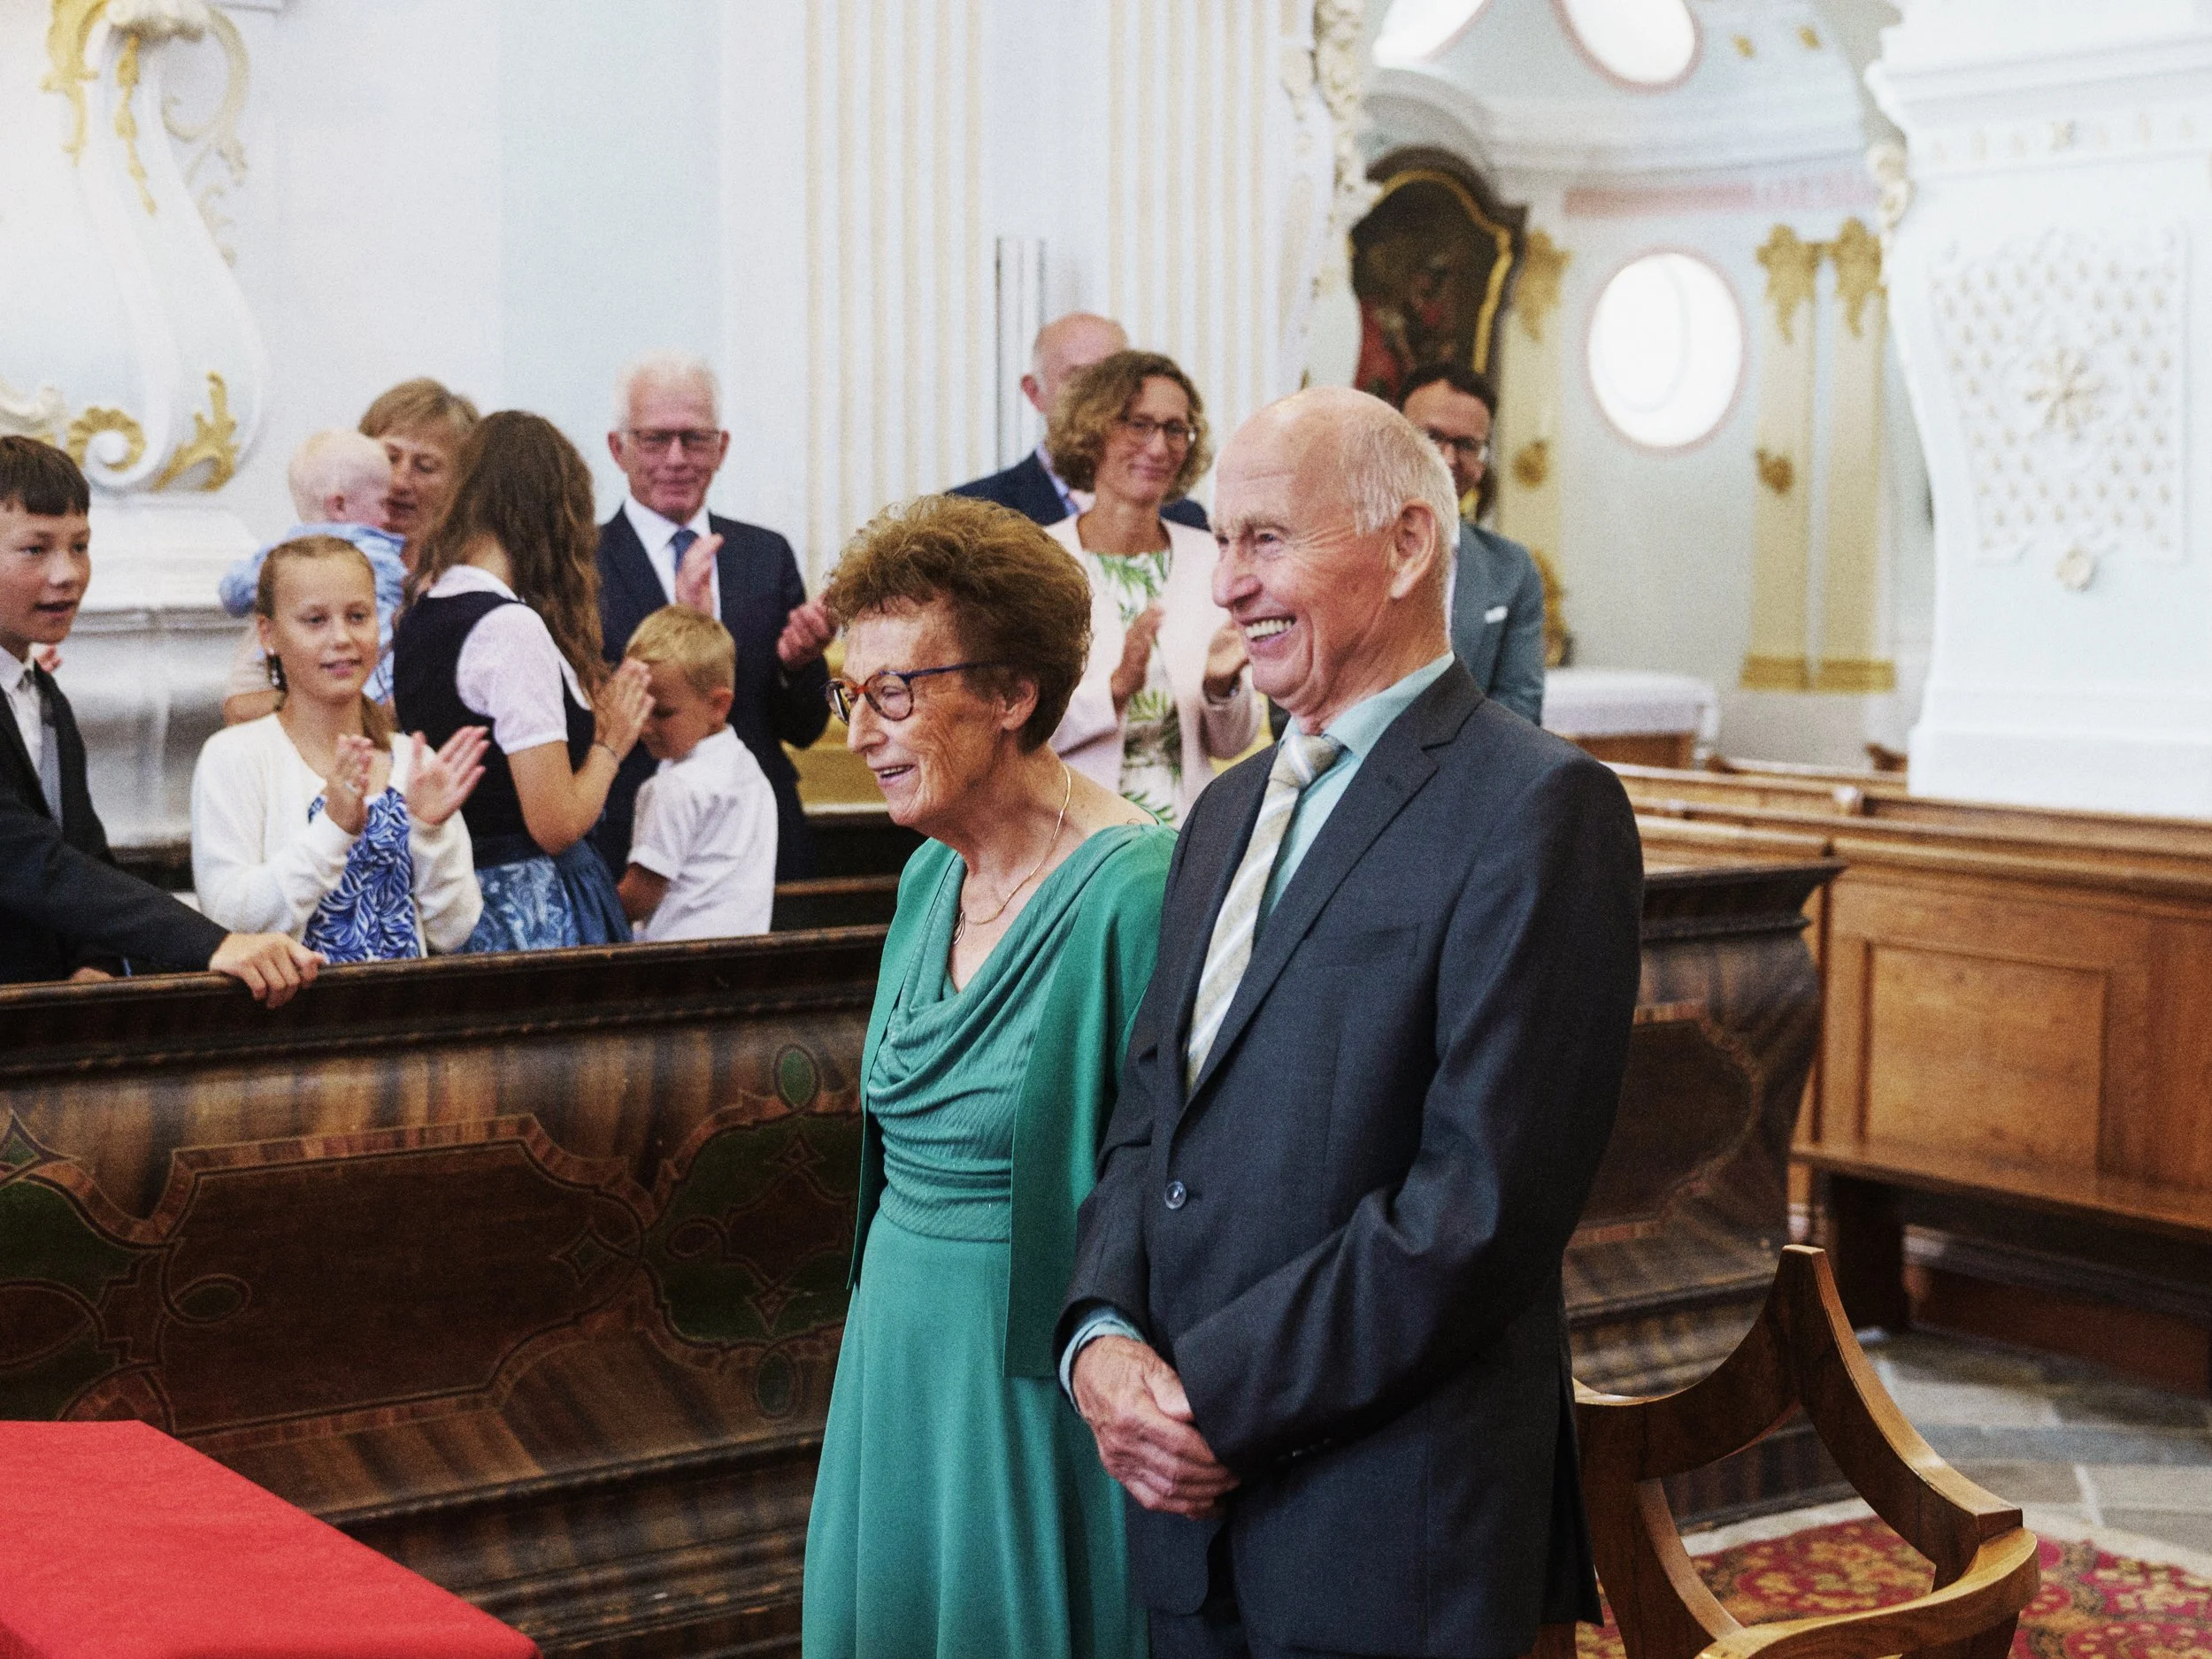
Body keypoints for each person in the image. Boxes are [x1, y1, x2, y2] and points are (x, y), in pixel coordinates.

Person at [1061, 388, 1645, 1659]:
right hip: (1186, 1519)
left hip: (1391, 1523)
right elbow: (1149, 1112)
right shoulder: (1218, 817)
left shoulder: (1540, 809)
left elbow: (1476, 1209)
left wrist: (1209, 1394)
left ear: (1407, 542)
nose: (1225, 585)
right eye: (1221, 542)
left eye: (1266, 539)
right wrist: (1100, 1336)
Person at [802, 494, 1170, 1659]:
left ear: (1014, 693)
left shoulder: (1138, 890)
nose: (863, 728)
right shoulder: (925, 879)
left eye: (896, 690)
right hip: (897, 1348)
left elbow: (1175, 1184)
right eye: (850, 694)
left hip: (1031, 1373)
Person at [0, 437, 320, 1003]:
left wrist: (91, 963)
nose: (68, 574)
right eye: (35, 550)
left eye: (80, 546)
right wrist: (211, 944)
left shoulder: (43, 694)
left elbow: (83, 854)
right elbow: (28, 861)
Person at [392, 411, 651, 952]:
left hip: (457, 893)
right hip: (529, 908)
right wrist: (610, 743)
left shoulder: (422, 611)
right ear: (553, 511)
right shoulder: (510, 627)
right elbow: (554, 823)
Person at [595, 351, 833, 880]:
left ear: (721, 447)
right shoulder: (582, 565)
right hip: (635, 845)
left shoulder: (763, 554)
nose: (677, 458)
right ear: (618, 448)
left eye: (694, 439)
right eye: (656, 439)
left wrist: (798, 665)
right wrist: (679, 633)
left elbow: (805, 727)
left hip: (761, 846)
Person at [193, 535, 487, 960]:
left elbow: (454, 930)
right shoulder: (235, 757)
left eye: (357, 616)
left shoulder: (411, 759)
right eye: (315, 620)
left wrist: (429, 832)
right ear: (268, 633)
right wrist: (332, 829)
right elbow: (229, 921)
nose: (342, 638)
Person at [1044, 351, 1256, 824]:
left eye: (1175, 429)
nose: (1159, 447)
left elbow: (1234, 744)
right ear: (1093, 430)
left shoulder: (1214, 558)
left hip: (1187, 842)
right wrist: (1115, 691)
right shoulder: (1038, 560)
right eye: (1138, 424)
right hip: (1074, 837)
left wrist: (1221, 686)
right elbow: (1007, 727)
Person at [950, 311, 1210, 531]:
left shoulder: (1188, 521)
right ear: (1034, 392)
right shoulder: (970, 516)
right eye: (1080, 379)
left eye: (1115, 381)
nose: (1098, 397)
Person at [219, 429, 408, 724]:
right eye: (382, 504)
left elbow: (232, 592)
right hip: (364, 693)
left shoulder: (278, 557)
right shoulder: (377, 552)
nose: (387, 518)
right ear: (340, 505)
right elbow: (387, 624)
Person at [616, 605, 778, 941]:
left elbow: (640, 897)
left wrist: (582, 906)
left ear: (718, 705)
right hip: (745, 955)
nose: (644, 725)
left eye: (661, 713)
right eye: (640, 706)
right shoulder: (746, 766)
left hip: (677, 966)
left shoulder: (674, 787)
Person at [1402, 363, 1546, 726]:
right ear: (1395, 442)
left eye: (1467, 445)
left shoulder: (1511, 571)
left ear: (1481, 464)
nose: (1448, 459)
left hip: (1469, 776)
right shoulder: (1344, 546)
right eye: (1432, 436)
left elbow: (1519, 708)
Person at [363, 377, 480, 542]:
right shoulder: (320, 556)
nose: (399, 482)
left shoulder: (474, 566)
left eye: (425, 467)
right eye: (389, 459)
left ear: (461, 482)